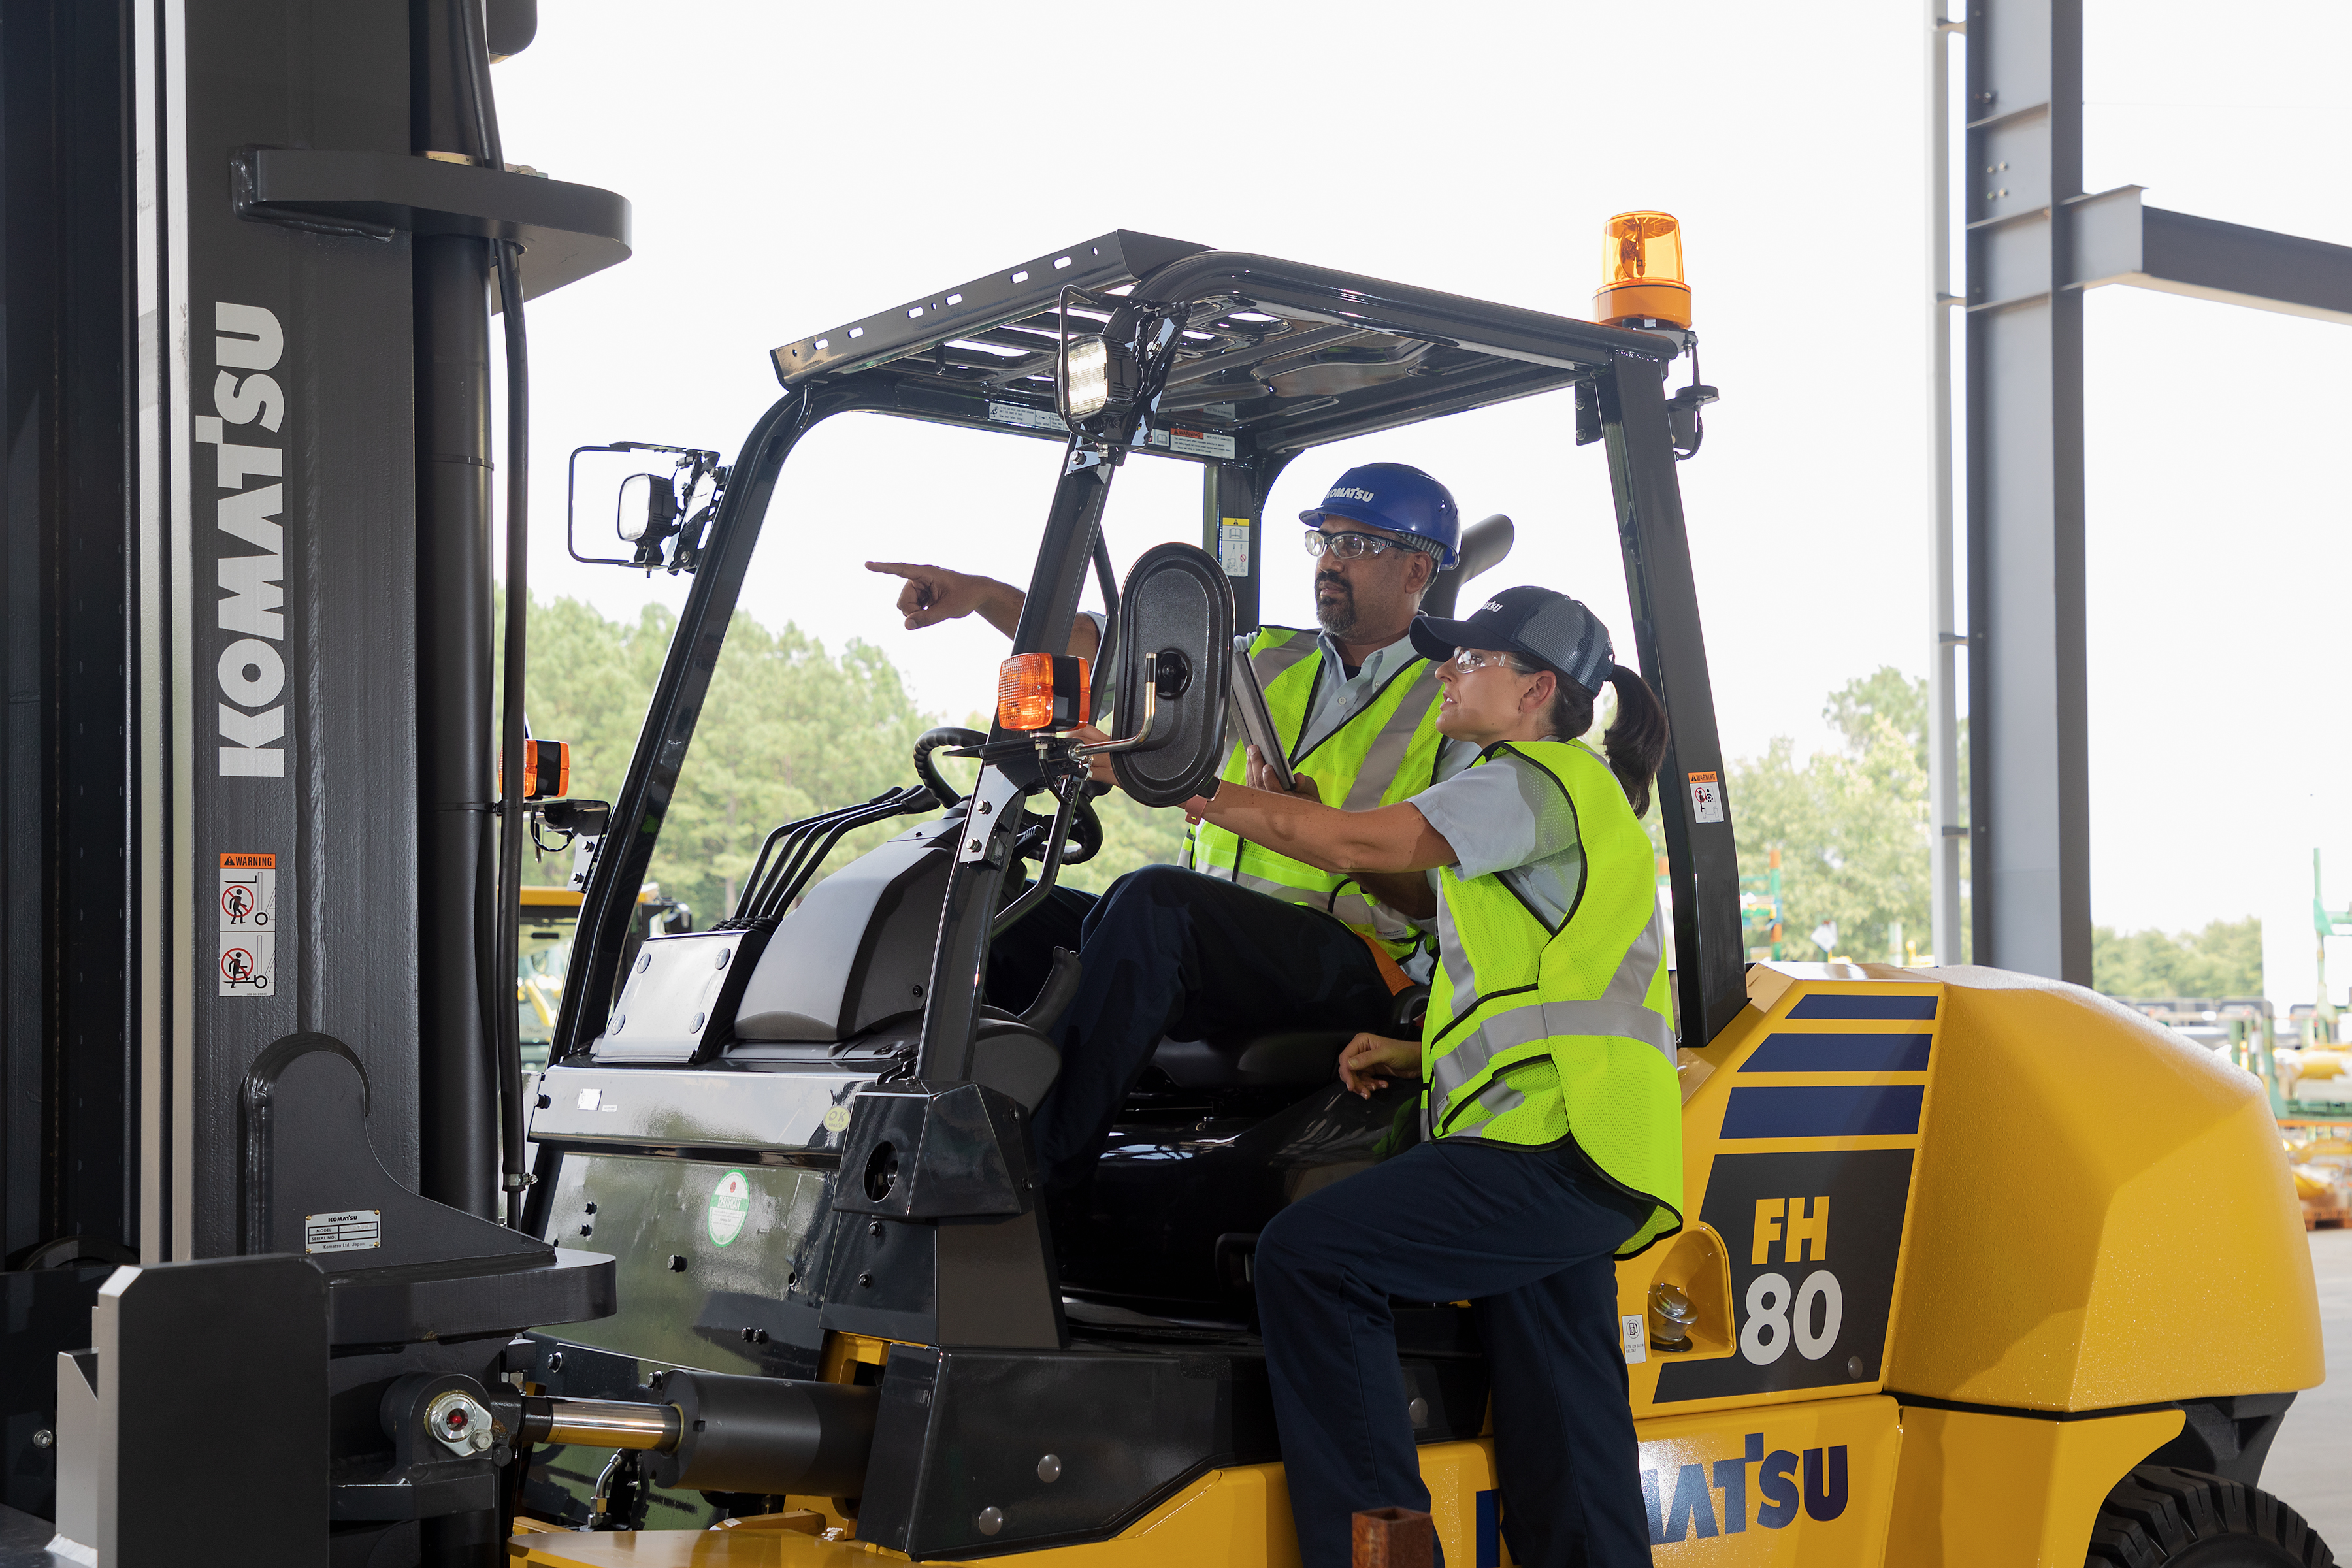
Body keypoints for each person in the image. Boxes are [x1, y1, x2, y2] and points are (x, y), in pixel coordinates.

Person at [1178, 585, 1683, 1568]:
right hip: (1591, 1147)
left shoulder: (1529, 778)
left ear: (1537, 689)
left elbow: (1363, 843)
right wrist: (1420, 1053)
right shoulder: (1558, 794)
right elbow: (1539, 986)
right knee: (1566, 1415)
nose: (1446, 671)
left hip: (1551, 1143)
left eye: (1471, 660)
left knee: (1314, 1259)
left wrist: (1191, 788)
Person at [868, 463, 1473, 1189]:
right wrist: (984, 598)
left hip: (1358, 961)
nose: (1333, 561)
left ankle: (1033, 1179)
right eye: (1325, 541)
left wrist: (1322, 828)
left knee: (1155, 901)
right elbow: (1104, 654)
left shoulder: (1455, 700)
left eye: (1360, 546)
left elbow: (1437, 899)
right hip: (1221, 944)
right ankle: (922, 1126)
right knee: (985, 902)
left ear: (1418, 569)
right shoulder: (1263, 660)